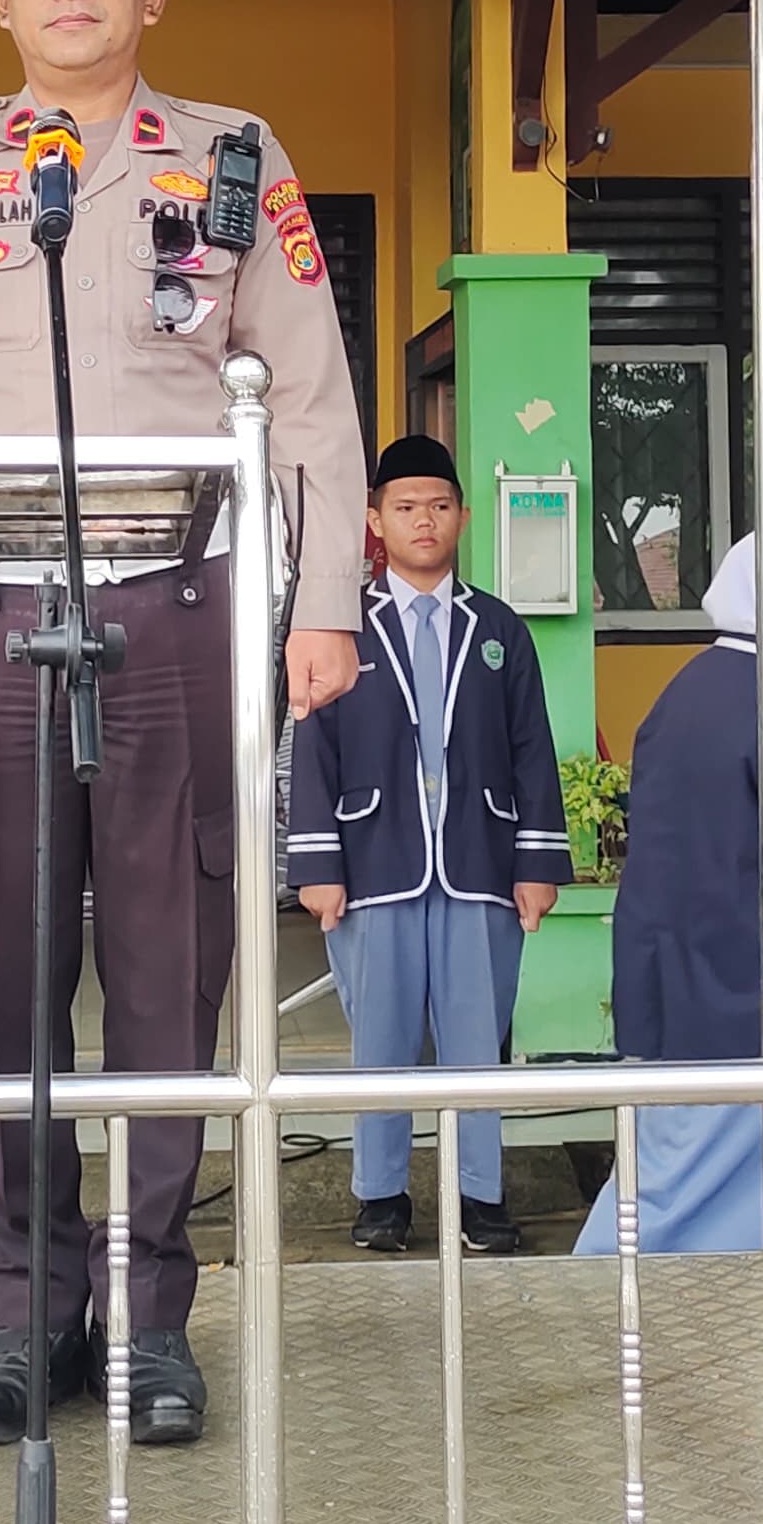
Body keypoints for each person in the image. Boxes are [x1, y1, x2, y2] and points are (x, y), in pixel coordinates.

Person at [0, 0, 368, 1447]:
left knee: (167, 969)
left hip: (178, 619)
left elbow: (309, 405)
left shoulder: (232, 159)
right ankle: (14, 1317)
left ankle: (145, 1317)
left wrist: (321, 602)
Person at [286, 435, 570, 1258]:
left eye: (439, 507)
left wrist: (539, 863)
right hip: (374, 863)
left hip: (481, 863)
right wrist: (316, 864)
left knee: (478, 1040)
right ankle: (381, 1196)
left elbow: (532, 750)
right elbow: (312, 748)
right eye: (405, 507)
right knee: (379, 1039)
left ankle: (480, 1195)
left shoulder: (498, 629)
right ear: (375, 520)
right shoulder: (344, 627)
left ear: (463, 517)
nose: (424, 521)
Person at [572, 522, 763, 1280]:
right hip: (759, 987)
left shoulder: (682, 692)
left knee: (668, 1159)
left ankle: (602, 1295)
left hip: (671, 971)